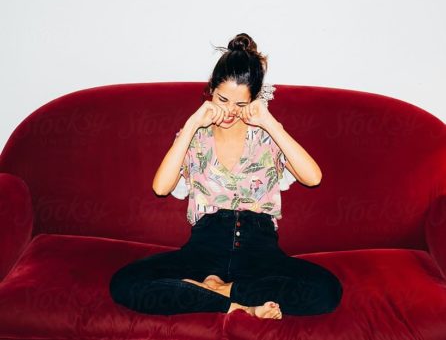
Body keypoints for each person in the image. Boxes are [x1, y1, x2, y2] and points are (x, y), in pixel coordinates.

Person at [109, 33, 343, 320]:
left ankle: (219, 292)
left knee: (326, 290)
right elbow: (160, 187)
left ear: (254, 100)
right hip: (204, 247)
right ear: (211, 90)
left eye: (241, 104)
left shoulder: (267, 135)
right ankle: (236, 304)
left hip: (260, 250)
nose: (230, 110)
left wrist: (270, 122)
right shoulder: (195, 136)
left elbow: (313, 177)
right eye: (223, 98)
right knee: (124, 283)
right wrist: (192, 123)